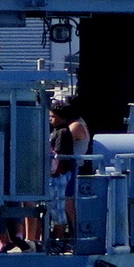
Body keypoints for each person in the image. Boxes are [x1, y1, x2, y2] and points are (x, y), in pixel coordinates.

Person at [46, 96, 92, 251]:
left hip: (70, 168)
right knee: (62, 204)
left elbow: (62, 143)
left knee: (68, 204)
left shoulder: (74, 126)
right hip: (65, 168)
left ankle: (73, 237)